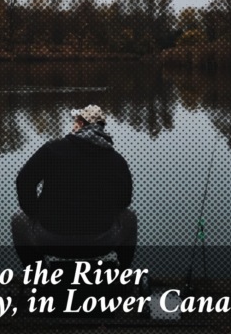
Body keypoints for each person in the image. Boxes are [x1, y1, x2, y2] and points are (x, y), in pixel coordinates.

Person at [11, 105, 137, 269]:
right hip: (101, 241)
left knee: (19, 220)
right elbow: (124, 201)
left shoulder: (51, 149)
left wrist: (34, 213)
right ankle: (123, 273)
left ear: (81, 124)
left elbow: (24, 181)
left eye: (76, 121)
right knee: (129, 217)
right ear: (101, 128)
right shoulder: (115, 159)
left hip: (51, 239)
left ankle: (38, 274)